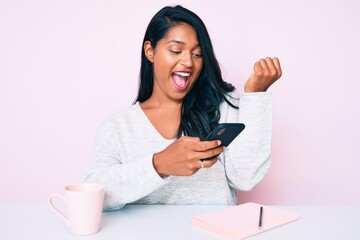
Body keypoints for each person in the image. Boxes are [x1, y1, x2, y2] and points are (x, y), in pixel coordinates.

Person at [82, 5, 282, 211]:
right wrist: (159, 165)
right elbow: (93, 192)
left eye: (197, 54)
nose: (188, 62)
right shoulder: (119, 125)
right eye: (176, 50)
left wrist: (256, 96)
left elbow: (246, 179)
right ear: (150, 51)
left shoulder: (222, 107)